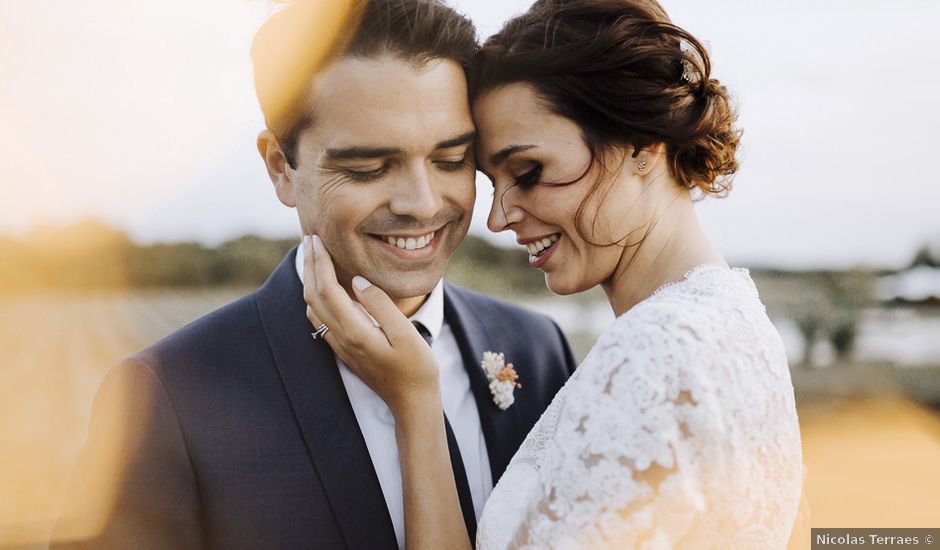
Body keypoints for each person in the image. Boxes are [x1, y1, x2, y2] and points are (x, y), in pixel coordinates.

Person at [50, 1, 577, 548]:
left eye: (451, 160)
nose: (422, 204)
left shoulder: (537, 351)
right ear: (281, 167)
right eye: (369, 167)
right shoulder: (165, 398)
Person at [302, 0, 808, 548]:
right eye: (491, 181)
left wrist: (415, 403)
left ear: (641, 144)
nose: (497, 217)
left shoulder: (656, 353)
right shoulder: (739, 324)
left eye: (529, 171)